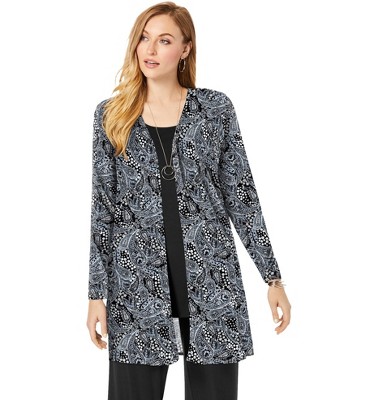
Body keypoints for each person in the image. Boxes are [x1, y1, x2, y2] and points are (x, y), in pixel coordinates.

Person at [86, 2, 291, 399]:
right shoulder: (111, 115)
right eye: (144, 38)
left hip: (211, 280)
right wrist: (96, 294)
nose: (150, 49)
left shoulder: (214, 110)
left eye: (164, 40)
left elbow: (242, 196)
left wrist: (272, 278)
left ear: (185, 48)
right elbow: (102, 209)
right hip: (136, 286)